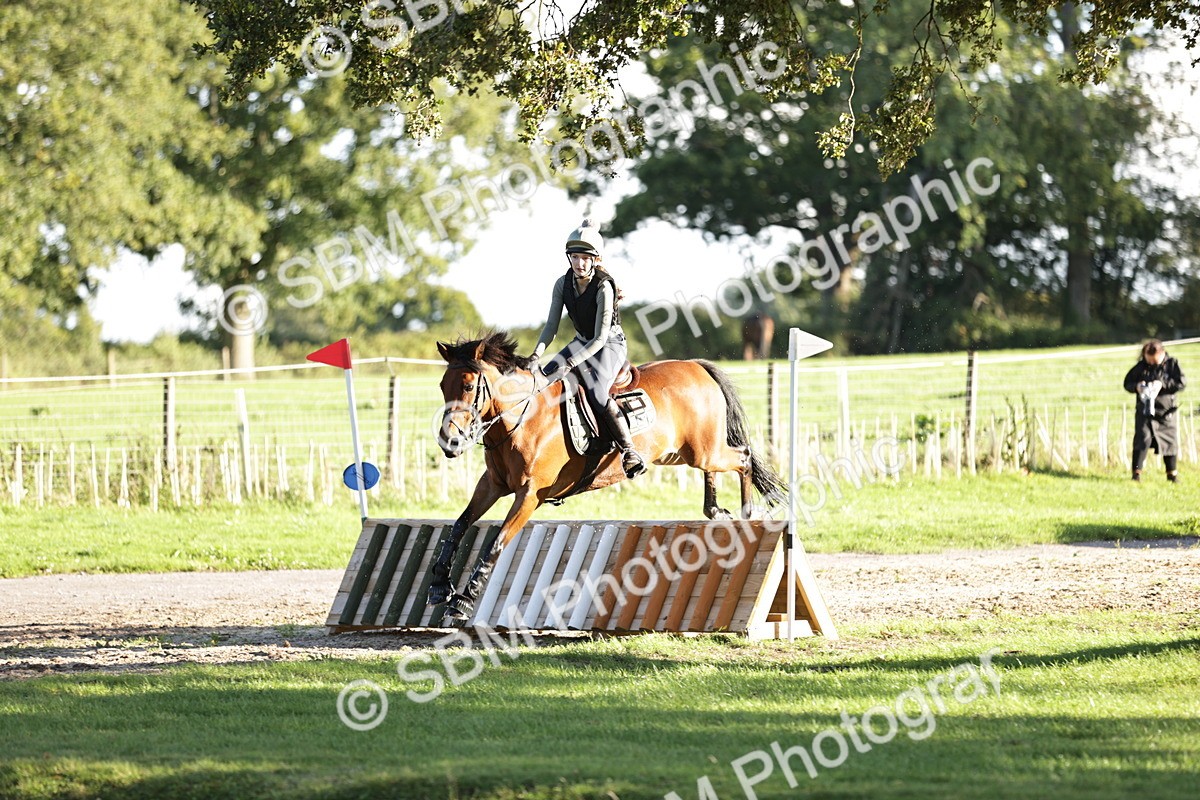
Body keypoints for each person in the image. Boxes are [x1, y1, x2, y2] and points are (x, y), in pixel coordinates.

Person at [526, 219, 647, 478]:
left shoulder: (604, 285)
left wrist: (570, 363)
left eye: (584, 258)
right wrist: (536, 354)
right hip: (582, 341)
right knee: (545, 379)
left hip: (610, 344)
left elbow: (601, 338)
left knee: (597, 392)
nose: (579, 263)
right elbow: (551, 326)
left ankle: (629, 450)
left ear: (595, 259)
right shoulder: (562, 283)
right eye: (574, 257)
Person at [1123, 339, 1187, 482]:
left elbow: (1181, 383)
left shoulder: (1172, 364)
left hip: (1166, 412)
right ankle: (1136, 474)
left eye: (1154, 361)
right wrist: (1137, 387)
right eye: (1149, 360)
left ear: (1162, 353)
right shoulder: (1141, 367)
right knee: (1142, 440)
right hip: (1145, 411)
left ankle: (1172, 474)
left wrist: (1162, 384)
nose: (1151, 363)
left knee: (1170, 442)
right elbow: (1127, 383)